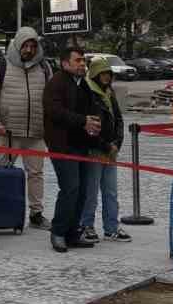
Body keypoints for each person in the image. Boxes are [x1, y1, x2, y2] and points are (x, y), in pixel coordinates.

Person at [0, 26, 52, 228]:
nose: (28, 49)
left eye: (32, 45)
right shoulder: (0, 65)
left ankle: (36, 213)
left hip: (36, 133)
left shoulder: (44, 68)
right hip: (8, 132)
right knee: (2, 172)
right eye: (25, 45)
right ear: (18, 44)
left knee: (36, 174)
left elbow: (50, 99)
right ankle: (1, 213)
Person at [43, 45, 99, 253]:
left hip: (81, 144)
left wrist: (95, 123)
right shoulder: (56, 82)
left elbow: (91, 108)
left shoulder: (83, 83)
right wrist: (82, 120)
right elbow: (55, 111)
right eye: (78, 61)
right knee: (70, 188)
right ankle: (58, 232)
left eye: (83, 60)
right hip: (62, 145)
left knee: (83, 190)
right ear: (64, 63)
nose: (82, 64)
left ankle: (72, 233)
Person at [79, 56, 129, 243]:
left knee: (111, 191)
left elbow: (118, 120)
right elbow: (89, 126)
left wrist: (117, 143)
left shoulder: (110, 92)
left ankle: (111, 227)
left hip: (110, 150)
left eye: (108, 73)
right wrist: (105, 145)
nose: (107, 77)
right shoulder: (87, 93)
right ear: (95, 74)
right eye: (103, 73)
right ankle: (87, 225)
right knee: (91, 192)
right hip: (95, 150)